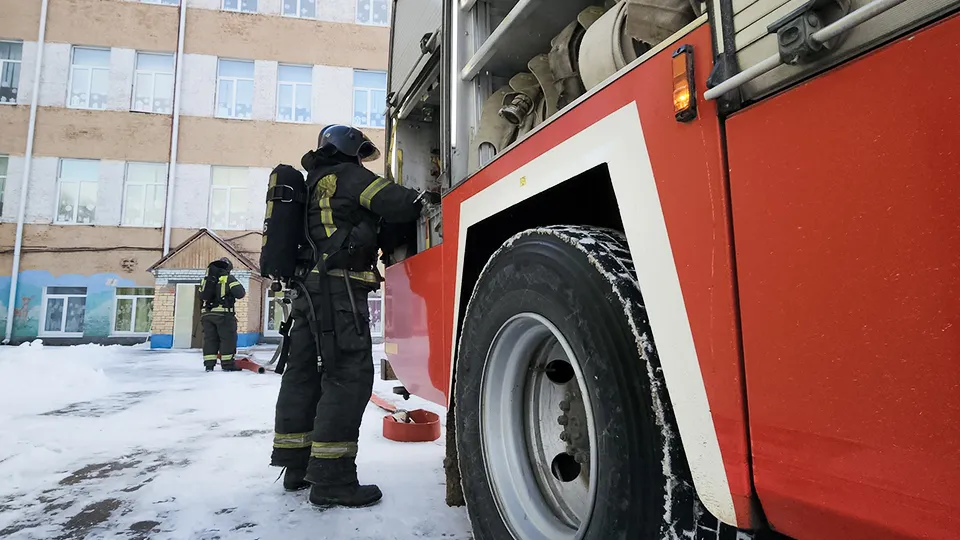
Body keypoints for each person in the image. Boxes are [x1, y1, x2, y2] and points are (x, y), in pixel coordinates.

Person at [270, 125, 439, 508]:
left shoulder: (312, 182)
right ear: (349, 149)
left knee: (304, 376)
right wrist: (428, 196)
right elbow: (397, 202)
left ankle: (297, 466)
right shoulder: (349, 176)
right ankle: (332, 479)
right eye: (361, 153)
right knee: (348, 376)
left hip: (306, 295)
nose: (363, 160)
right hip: (338, 293)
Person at [199, 257, 246, 372]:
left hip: (207, 315)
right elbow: (240, 293)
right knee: (227, 339)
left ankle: (209, 365)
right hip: (223, 315)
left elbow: (201, 296)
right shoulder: (228, 278)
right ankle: (228, 364)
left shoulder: (205, 280)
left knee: (210, 339)